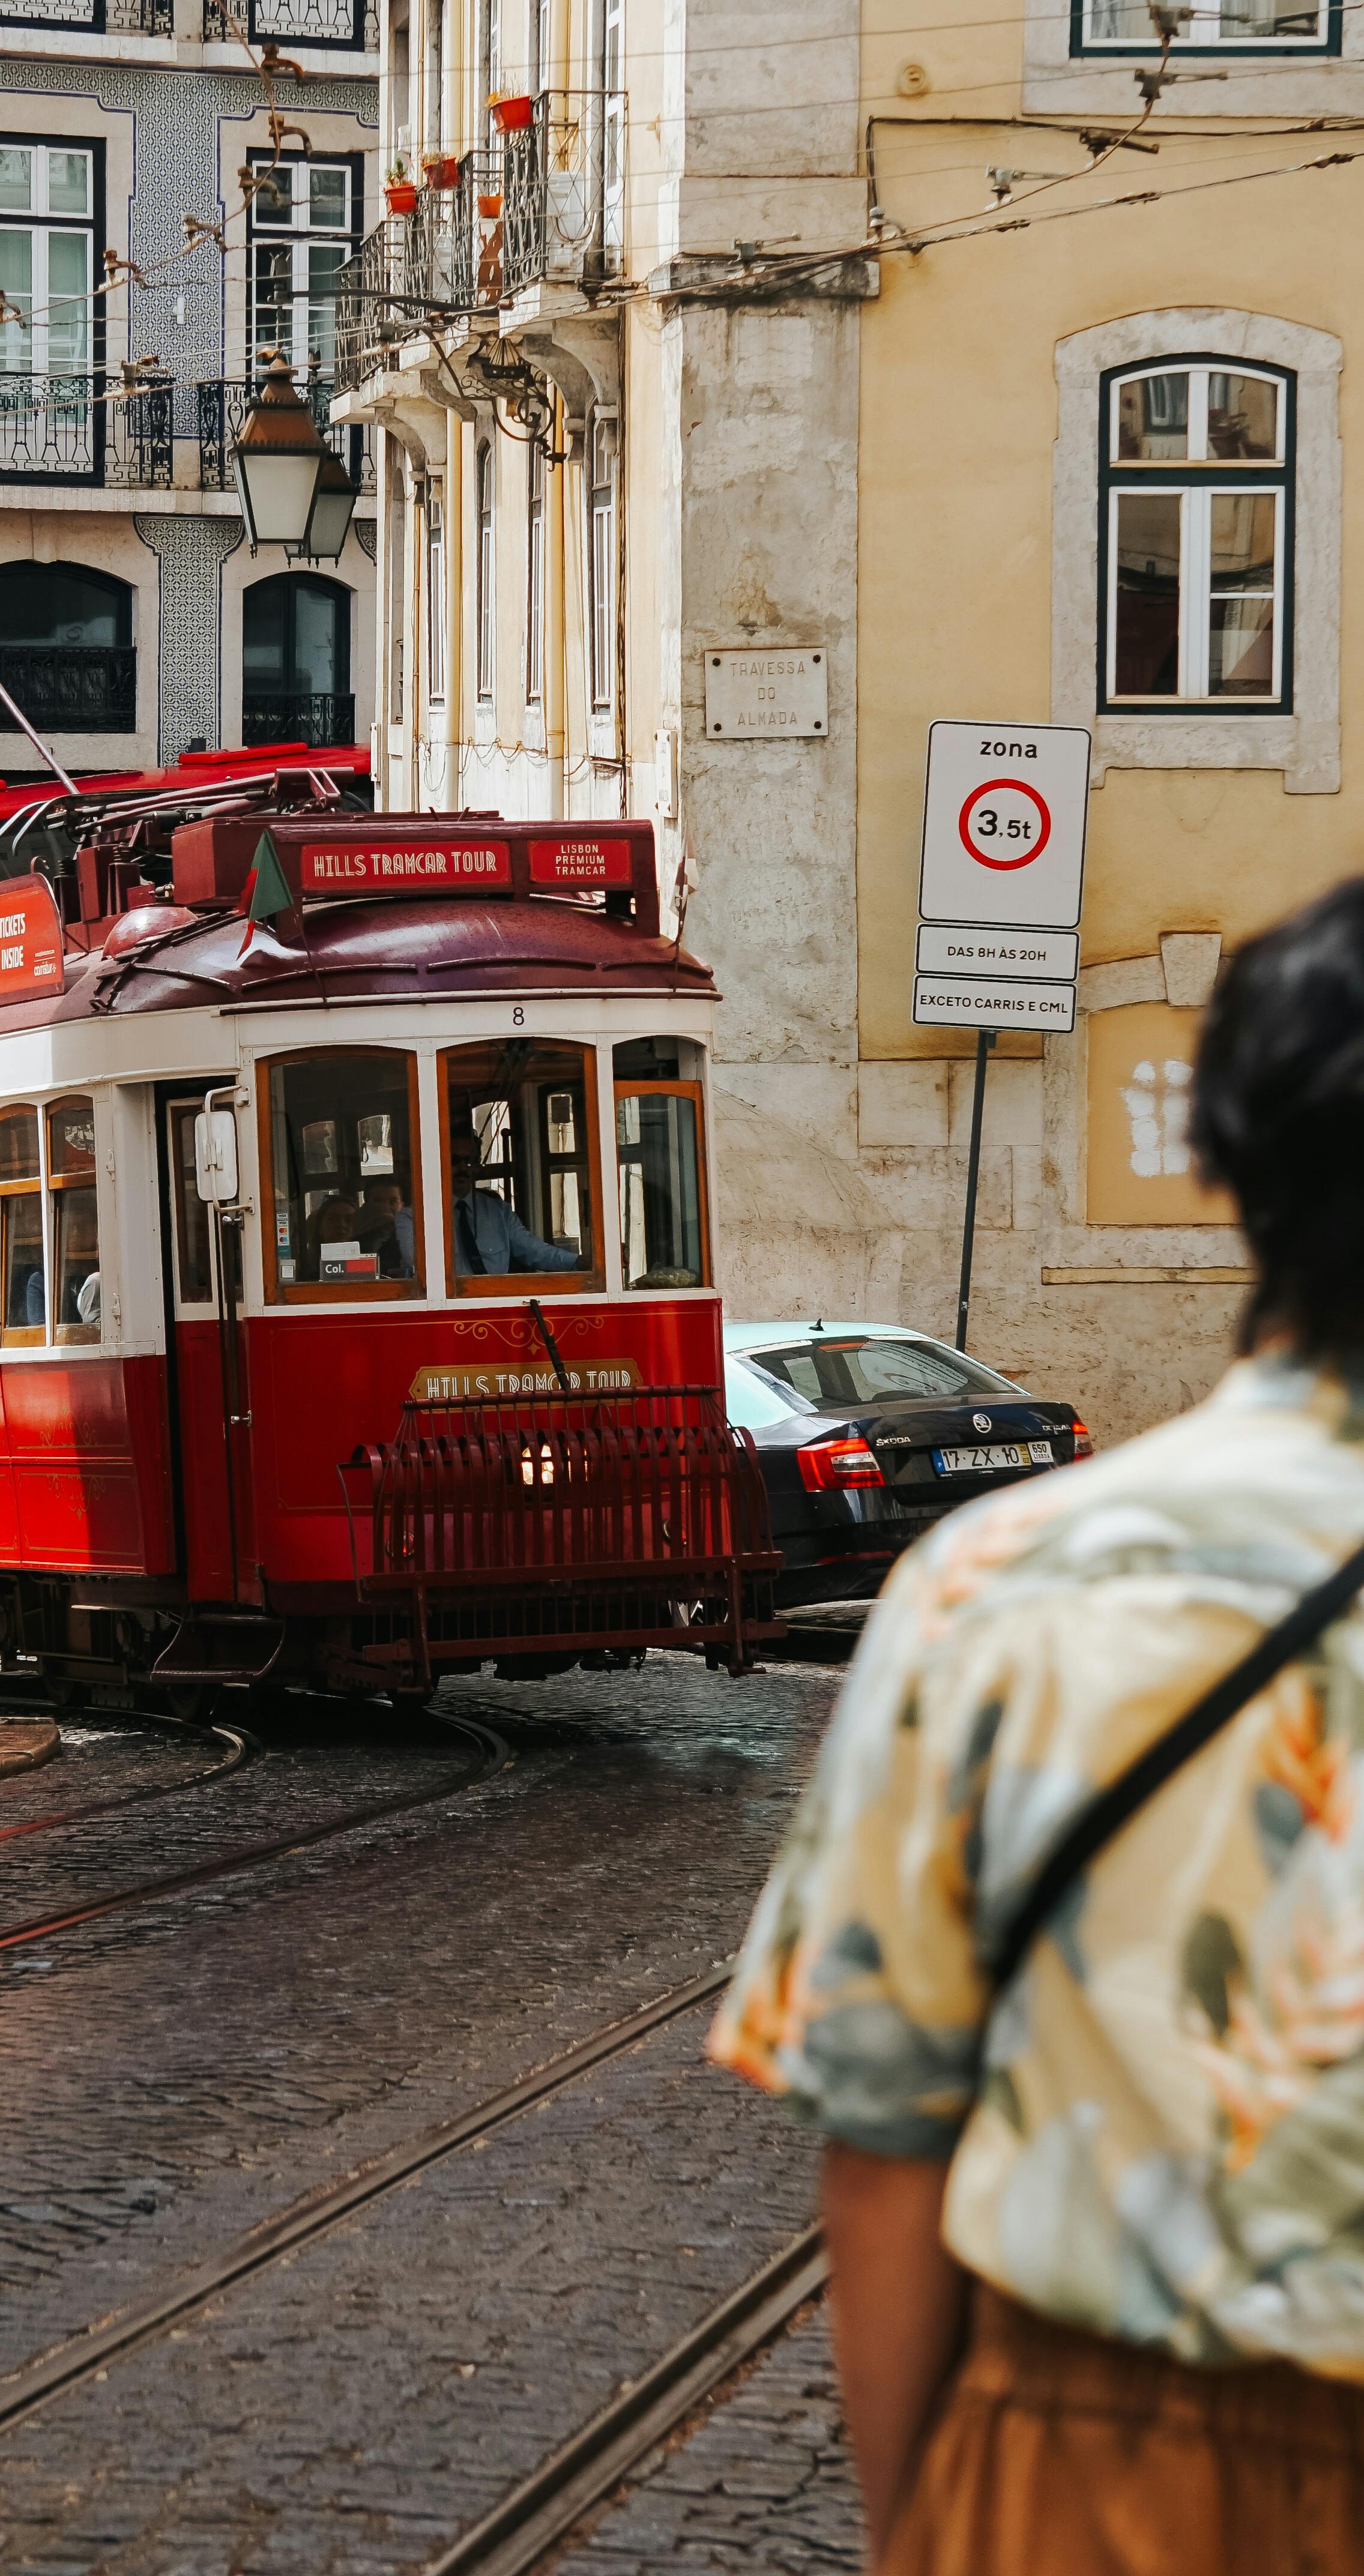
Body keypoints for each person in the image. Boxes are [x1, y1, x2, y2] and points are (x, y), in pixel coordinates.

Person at [710, 875, 1364, 2576]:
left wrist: (932, 2535)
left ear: (1229, 1165)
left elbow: (884, 2135)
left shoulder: (1001, 1588)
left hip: (1112, 2472)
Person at [448, 1121, 583, 1276]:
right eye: (455, 1161)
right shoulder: (419, 1219)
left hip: (497, 1298)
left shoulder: (499, 1213)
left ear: (478, 1166)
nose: (463, 1168)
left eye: (470, 1161)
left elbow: (534, 1250)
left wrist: (578, 1261)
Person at [359, 1176, 415, 1279]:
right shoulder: (358, 1236)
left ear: (402, 1206)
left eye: (393, 1202)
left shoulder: (412, 1235)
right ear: (366, 1206)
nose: (386, 1207)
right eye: (379, 1201)